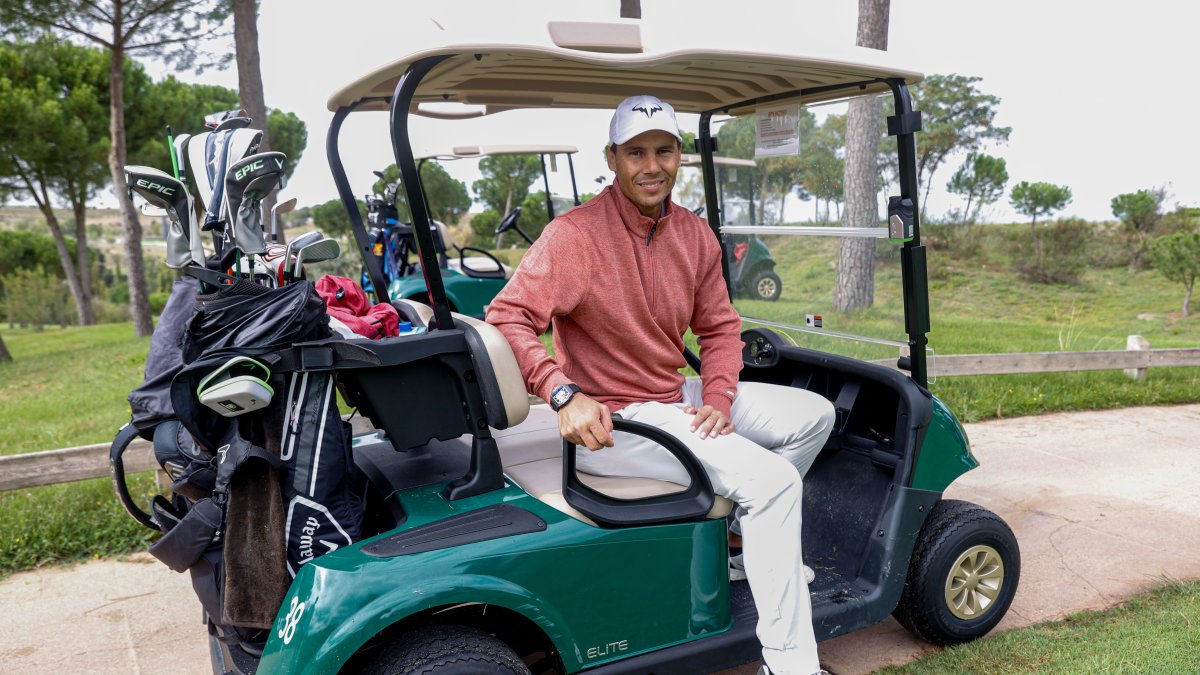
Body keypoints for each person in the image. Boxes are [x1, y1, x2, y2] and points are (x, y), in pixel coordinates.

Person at [486, 95, 835, 675]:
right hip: (616, 421)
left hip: (677, 399)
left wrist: (719, 397)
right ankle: (789, 664)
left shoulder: (694, 235)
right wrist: (561, 393)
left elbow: (721, 328)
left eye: (665, 151)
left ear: (681, 156)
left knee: (814, 415)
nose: (652, 166)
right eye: (636, 152)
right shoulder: (575, 236)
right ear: (613, 158)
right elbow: (509, 316)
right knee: (773, 483)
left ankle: (744, 550)